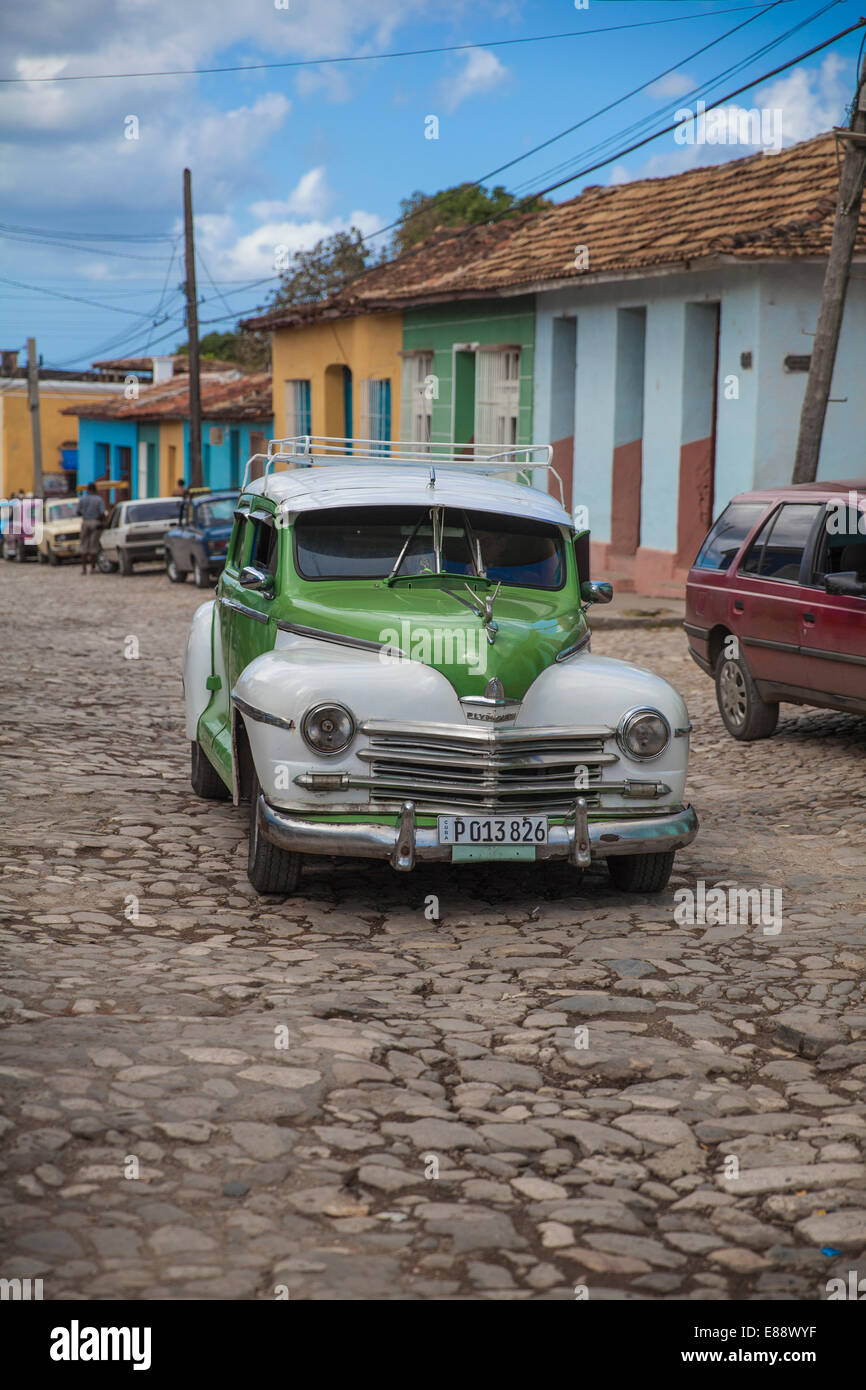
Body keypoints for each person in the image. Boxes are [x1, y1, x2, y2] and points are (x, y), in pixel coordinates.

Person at [77, 483, 106, 574]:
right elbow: (102, 513)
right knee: (94, 546)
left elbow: (78, 512)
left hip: (85, 522)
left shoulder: (82, 499)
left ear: (88, 490)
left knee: (84, 545)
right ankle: (93, 568)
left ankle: (84, 569)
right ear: (95, 490)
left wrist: (85, 514)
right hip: (95, 522)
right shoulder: (99, 499)